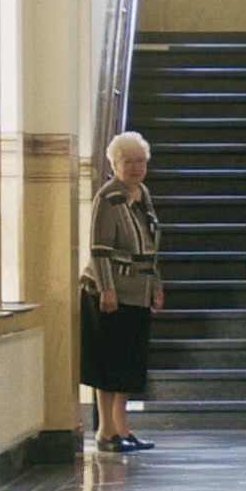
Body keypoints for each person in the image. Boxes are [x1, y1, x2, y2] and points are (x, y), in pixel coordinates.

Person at [80, 130, 164, 453]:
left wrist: (156, 285)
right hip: (110, 294)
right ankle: (106, 430)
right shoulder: (108, 197)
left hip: (138, 293)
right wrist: (106, 289)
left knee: (129, 362)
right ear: (115, 163)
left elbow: (152, 246)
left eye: (141, 161)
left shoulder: (142, 193)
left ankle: (122, 427)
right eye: (128, 162)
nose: (136, 168)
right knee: (109, 363)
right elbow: (99, 249)